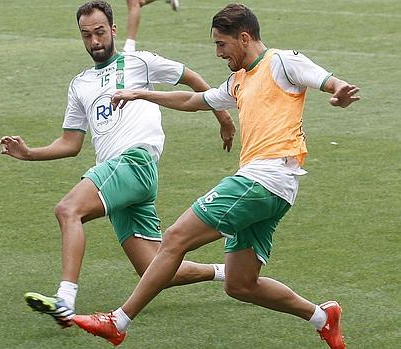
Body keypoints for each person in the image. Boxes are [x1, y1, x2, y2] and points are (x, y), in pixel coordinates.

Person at [73, 3, 360, 349]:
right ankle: (322, 316)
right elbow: (195, 99)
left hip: (263, 180)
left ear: (243, 38)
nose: (218, 53)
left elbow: (329, 82)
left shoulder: (283, 62)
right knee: (240, 284)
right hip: (275, 188)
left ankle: (118, 322)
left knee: (175, 238)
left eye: (221, 44)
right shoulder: (239, 80)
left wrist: (340, 93)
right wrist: (140, 93)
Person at [0, 0, 235, 329]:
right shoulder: (79, 84)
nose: (94, 42)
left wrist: (223, 119)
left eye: (99, 33)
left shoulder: (140, 62)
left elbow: (191, 77)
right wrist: (29, 153)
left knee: (68, 210)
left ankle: (65, 299)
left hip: (134, 162)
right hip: (119, 178)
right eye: (86, 35)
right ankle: (224, 271)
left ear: (113, 29)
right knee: (153, 270)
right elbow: (71, 143)